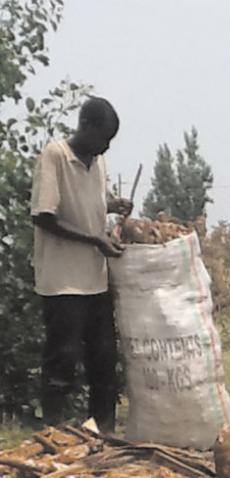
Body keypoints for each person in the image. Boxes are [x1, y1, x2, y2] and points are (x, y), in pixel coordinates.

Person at [31, 96, 133, 433]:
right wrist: (95, 240)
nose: (104, 148)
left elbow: (92, 204)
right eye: (102, 139)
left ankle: (104, 432)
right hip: (63, 283)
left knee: (104, 360)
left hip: (95, 280)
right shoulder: (55, 156)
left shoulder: (97, 162)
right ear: (85, 127)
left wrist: (112, 204)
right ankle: (54, 433)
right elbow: (45, 217)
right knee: (63, 359)